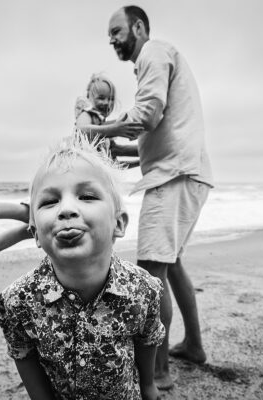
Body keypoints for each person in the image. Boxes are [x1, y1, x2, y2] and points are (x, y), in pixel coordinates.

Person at [0, 74, 142, 295]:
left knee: (27, 229)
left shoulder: (103, 128)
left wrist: (145, 157)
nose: (106, 103)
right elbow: (81, 131)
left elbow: (115, 158)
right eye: (101, 97)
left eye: (110, 99)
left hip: (70, 195)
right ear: (89, 97)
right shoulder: (88, 116)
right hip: (62, 189)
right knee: (19, 213)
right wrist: (115, 130)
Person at [0, 135, 165, 400]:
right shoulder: (18, 300)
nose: (66, 209)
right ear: (36, 234)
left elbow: (147, 340)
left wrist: (147, 385)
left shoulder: (144, 289)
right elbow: (23, 353)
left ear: (118, 224)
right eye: (49, 201)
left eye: (86, 196)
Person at [102, 5, 214, 390]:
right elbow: (155, 137)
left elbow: (147, 116)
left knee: (151, 273)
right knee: (172, 263)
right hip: (184, 171)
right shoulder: (158, 60)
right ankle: (194, 347)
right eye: (109, 36)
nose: (113, 40)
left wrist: (101, 130)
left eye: (116, 31)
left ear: (138, 26)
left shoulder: (153, 52)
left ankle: (160, 371)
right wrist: (118, 151)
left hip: (174, 178)